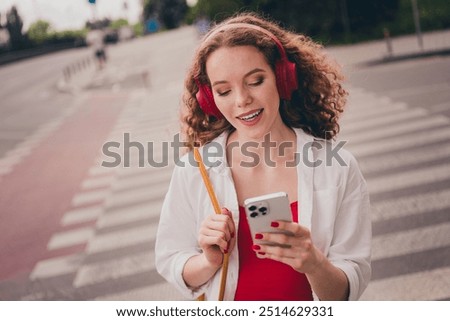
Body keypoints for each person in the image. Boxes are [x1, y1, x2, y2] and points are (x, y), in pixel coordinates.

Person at [155, 12, 371, 301]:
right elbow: (172, 260)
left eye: (255, 81)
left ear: (283, 79)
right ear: (210, 99)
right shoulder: (195, 169)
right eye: (224, 90)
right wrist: (209, 261)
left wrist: (314, 264)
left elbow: (346, 290)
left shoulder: (337, 168)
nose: (241, 100)